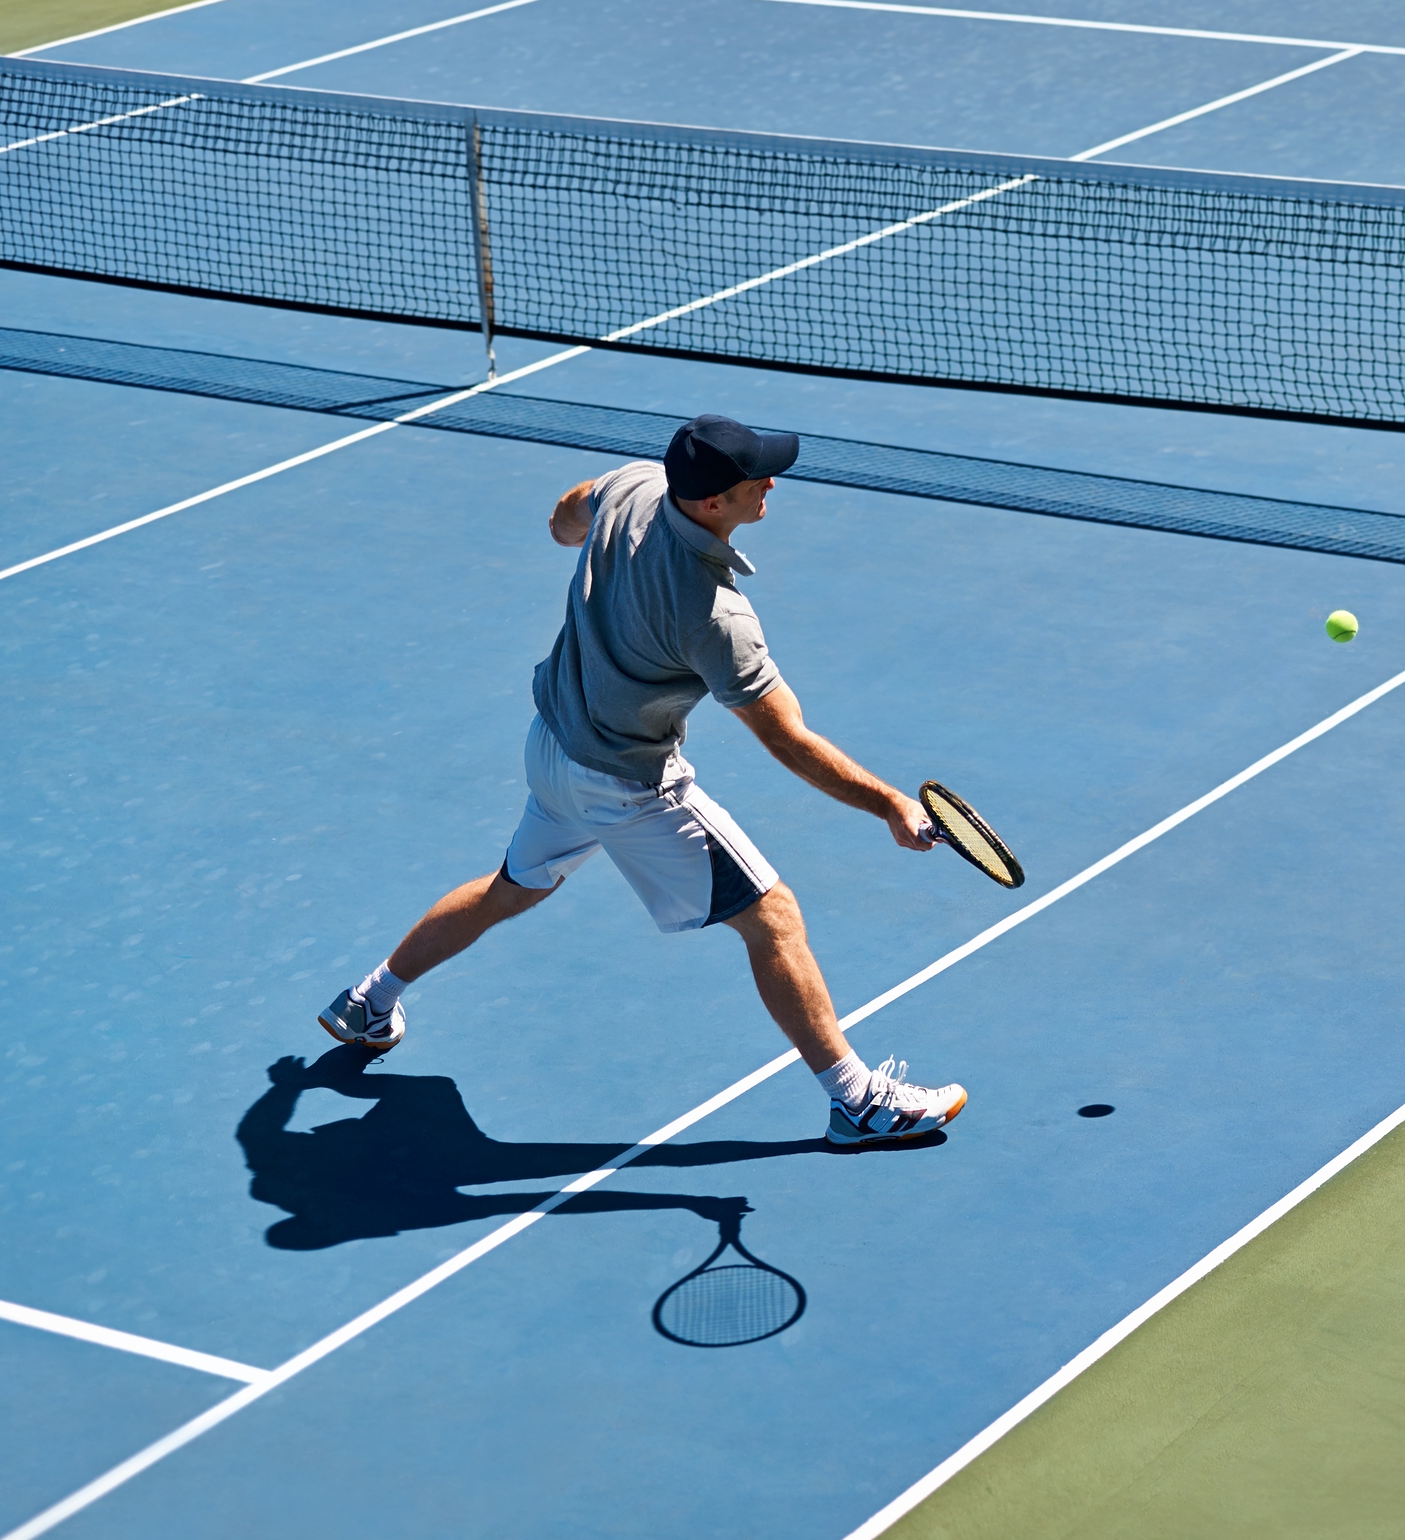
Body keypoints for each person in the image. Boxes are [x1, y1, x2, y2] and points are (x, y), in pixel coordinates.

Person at [317, 414, 966, 1149]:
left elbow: (568, 512)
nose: (771, 484)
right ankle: (856, 1103)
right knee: (772, 917)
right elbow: (785, 738)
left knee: (512, 888)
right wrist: (887, 802)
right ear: (713, 503)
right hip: (626, 785)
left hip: (553, 747)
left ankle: (369, 1002)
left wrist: (580, 537)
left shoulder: (636, 484)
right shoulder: (716, 615)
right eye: (757, 479)